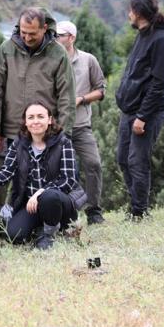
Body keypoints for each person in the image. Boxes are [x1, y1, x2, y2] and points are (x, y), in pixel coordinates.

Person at [0, 7, 75, 215]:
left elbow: (66, 96)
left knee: (34, 179)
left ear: (45, 28)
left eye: (32, 33)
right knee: (0, 176)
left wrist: (64, 131)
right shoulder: (7, 49)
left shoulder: (58, 53)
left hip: (42, 131)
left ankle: (27, 219)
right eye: (23, 32)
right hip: (8, 128)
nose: (26, 37)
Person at [0, 102, 84, 250]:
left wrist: (41, 192)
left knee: (49, 197)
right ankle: (39, 229)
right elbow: (6, 172)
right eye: (31, 117)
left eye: (41, 116)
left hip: (59, 203)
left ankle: (49, 234)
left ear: (50, 120)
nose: (36, 121)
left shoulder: (63, 142)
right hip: (31, 204)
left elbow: (68, 179)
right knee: (15, 235)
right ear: (25, 122)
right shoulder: (18, 144)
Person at [114, 0, 164, 220]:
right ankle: (136, 205)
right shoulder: (142, 35)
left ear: (138, 13)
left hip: (147, 112)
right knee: (123, 158)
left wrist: (143, 117)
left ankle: (139, 212)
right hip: (129, 109)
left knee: (137, 161)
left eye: (130, 10)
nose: (128, 14)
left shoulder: (162, 40)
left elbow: (159, 84)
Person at [55, 20, 106, 224]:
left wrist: (82, 99)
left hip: (81, 125)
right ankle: (61, 214)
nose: (56, 39)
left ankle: (94, 211)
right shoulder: (50, 61)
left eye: (60, 35)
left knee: (93, 164)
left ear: (72, 37)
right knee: (57, 171)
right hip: (56, 127)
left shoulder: (88, 60)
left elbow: (101, 90)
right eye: (54, 35)